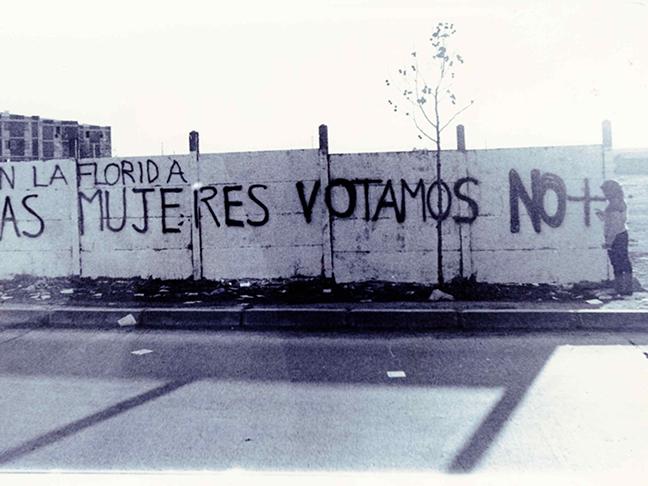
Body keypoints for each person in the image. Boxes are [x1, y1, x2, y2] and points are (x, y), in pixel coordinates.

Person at [595, 180, 633, 296]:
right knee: (623, 262)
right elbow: (615, 221)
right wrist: (604, 215)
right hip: (621, 234)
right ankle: (625, 288)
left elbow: (614, 226)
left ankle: (622, 288)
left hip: (617, 236)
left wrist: (609, 242)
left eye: (605, 191)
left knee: (618, 262)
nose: (605, 194)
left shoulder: (614, 204)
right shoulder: (619, 202)